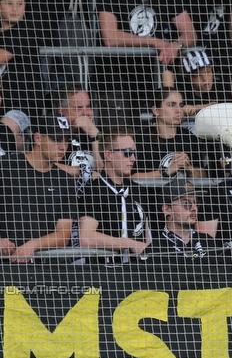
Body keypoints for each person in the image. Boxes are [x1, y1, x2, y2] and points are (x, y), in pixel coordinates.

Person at [0, 115, 77, 261]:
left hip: (43, 268)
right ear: (37, 138)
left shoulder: (65, 180)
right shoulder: (6, 165)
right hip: (0, 263)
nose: (63, 146)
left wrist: (33, 245)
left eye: (66, 141)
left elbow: (63, 235)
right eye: (56, 140)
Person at [95, 0, 197, 110]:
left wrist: (176, 45)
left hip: (153, 72)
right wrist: (153, 42)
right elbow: (110, 38)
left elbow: (191, 33)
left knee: (153, 125)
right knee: (120, 127)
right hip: (115, 73)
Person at [78, 131, 152, 259]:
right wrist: (129, 244)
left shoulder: (138, 189)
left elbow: (147, 236)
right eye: (127, 153)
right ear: (109, 155)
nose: (133, 158)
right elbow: (86, 238)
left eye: (134, 153)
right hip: (107, 274)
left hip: (139, 273)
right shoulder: (95, 190)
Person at [133, 89, 210, 181]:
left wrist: (189, 168)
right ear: (156, 110)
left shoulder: (189, 137)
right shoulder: (141, 139)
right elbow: (130, 177)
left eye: (181, 105)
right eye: (171, 105)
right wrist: (167, 171)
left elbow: (203, 178)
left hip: (186, 194)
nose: (179, 110)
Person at [158, 182, 216, 258]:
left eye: (196, 203)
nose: (194, 208)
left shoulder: (208, 241)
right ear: (167, 209)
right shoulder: (156, 249)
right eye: (186, 203)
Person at [51, 83, 101, 171]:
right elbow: (45, 166)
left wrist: (94, 134)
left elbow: (106, 172)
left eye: (88, 106)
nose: (87, 113)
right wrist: (81, 172)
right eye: (79, 108)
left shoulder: (95, 133)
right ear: (61, 111)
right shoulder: (52, 135)